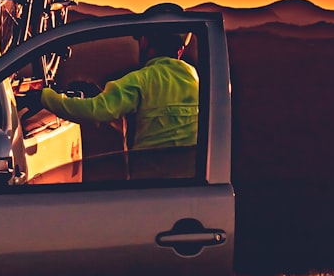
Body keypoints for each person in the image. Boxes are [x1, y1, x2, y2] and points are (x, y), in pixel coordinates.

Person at [18, 27, 199, 177]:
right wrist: (100, 94)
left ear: (145, 42)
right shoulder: (195, 79)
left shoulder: (141, 80)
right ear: (180, 51)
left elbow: (96, 111)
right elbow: (157, 121)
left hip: (150, 185)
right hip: (191, 183)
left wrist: (45, 97)